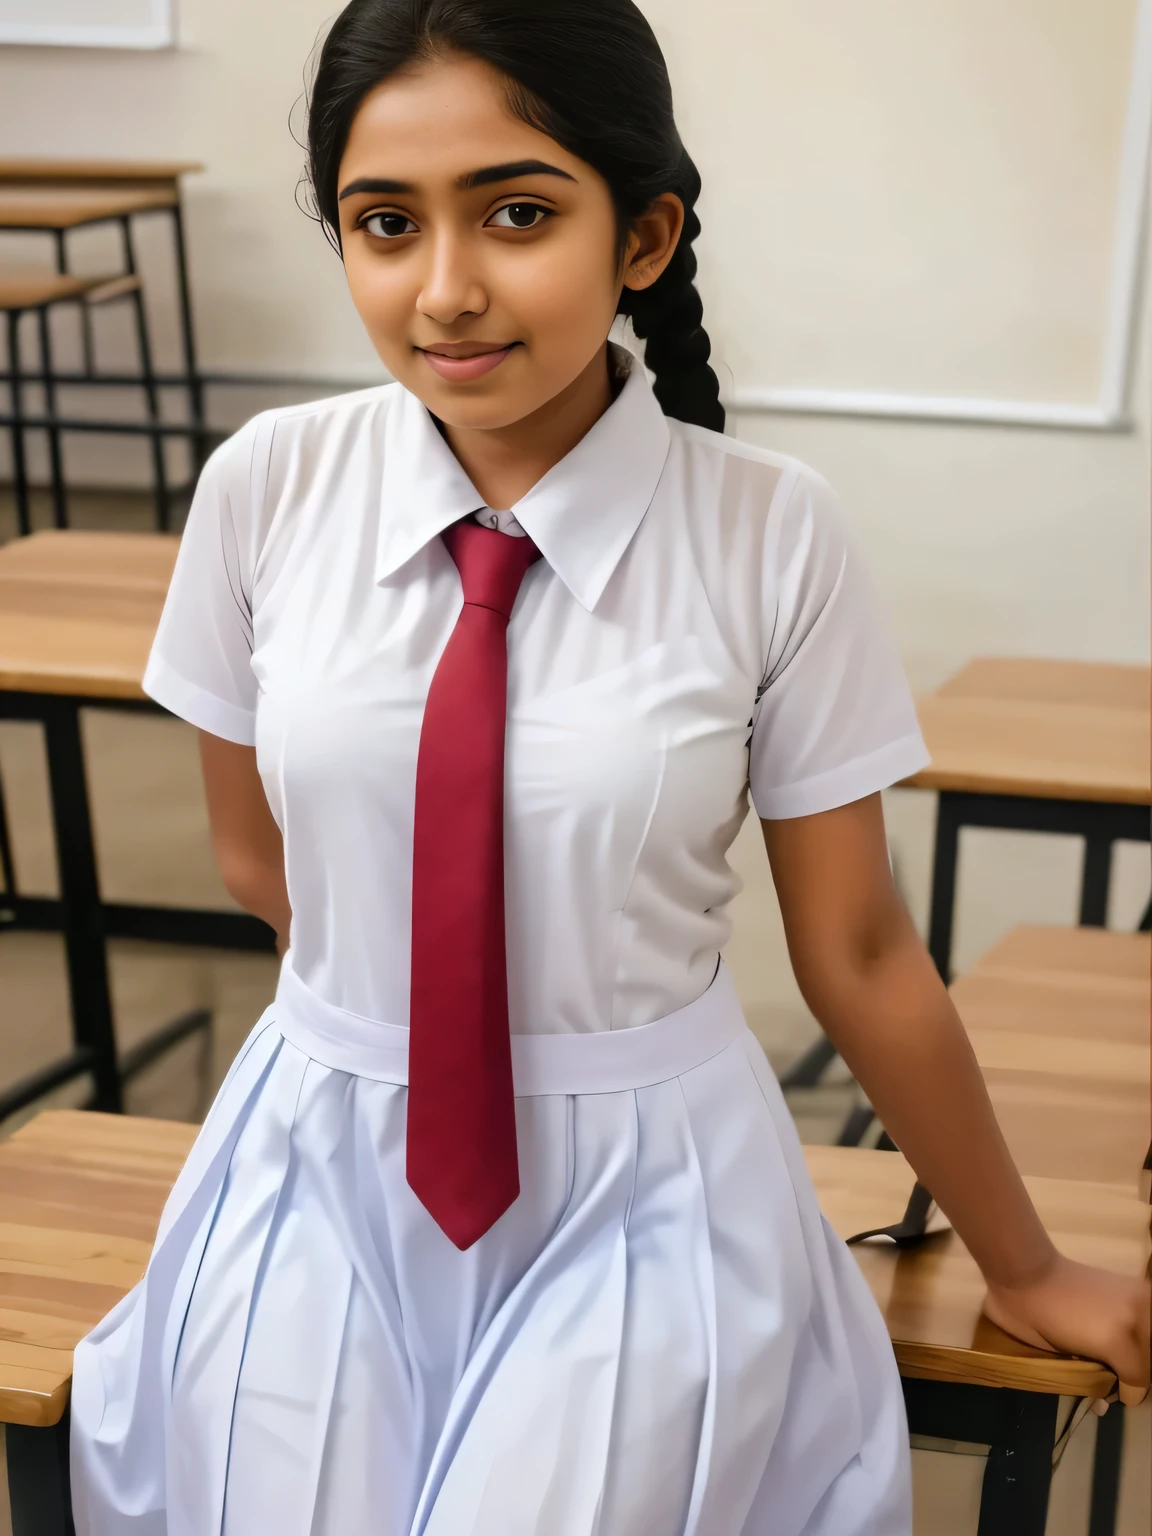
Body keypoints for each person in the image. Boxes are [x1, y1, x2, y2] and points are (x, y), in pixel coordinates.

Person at [70, 2, 1149, 1532]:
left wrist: (1025, 1263)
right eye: (386, 224)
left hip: (650, 1181)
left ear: (643, 238)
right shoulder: (265, 488)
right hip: (320, 1149)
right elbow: (261, 862)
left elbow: (854, 949)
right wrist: (392, 1025)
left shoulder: (771, 532)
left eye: (518, 213)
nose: (446, 290)